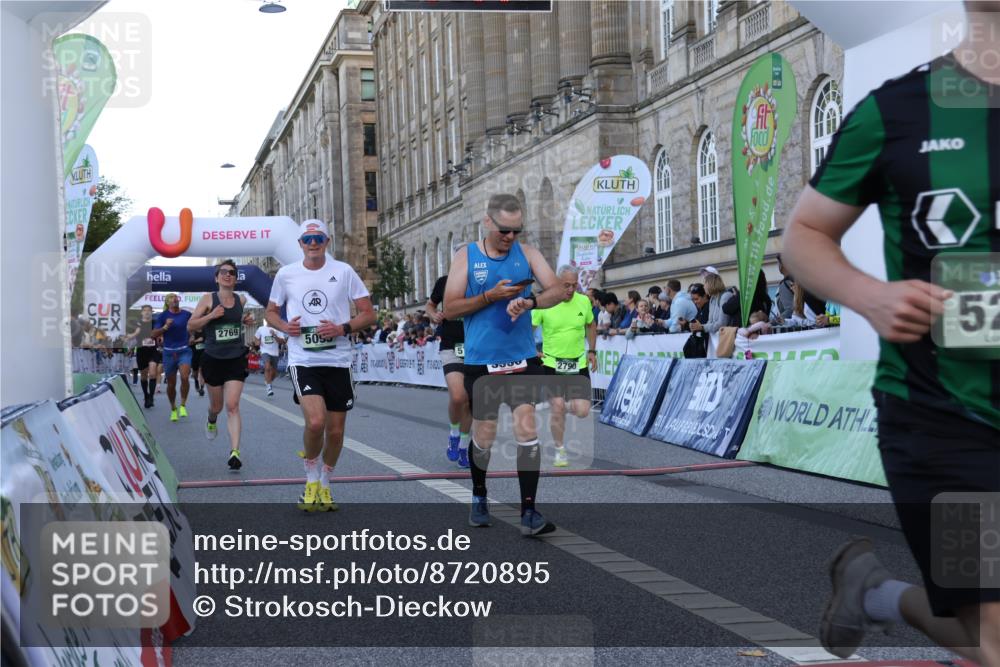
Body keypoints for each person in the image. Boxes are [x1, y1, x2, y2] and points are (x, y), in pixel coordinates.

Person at [783, 5, 999, 663]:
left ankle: (874, 592)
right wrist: (869, 295)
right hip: (947, 425)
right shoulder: (900, 110)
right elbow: (804, 235)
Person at [443, 193, 565, 536]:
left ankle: (529, 512)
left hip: (522, 358)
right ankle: (479, 495)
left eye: (516, 231)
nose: (510, 237)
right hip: (482, 361)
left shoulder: (527, 254)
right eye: (504, 231)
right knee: (485, 434)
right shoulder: (465, 256)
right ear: (487, 222)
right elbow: (449, 309)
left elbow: (558, 290)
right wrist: (487, 297)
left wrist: (530, 302)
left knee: (527, 428)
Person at [266, 220, 376, 512]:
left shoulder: (343, 271)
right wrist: (283, 326)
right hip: (304, 359)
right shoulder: (287, 274)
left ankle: (326, 482)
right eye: (307, 239)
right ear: (300, 244)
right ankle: (311, 478)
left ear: (327, 242)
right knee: (316, 422)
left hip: (339, 360)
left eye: (318, 238)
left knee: (336, 432)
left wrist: (343, 328)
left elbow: (368, 313)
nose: (313, 243)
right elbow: (271, 312)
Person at [189, 260, 256, 470]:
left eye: (232, 272)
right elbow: (191, 325)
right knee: (217, 406)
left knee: (233, 405)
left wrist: (243, 321)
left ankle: (234, 452)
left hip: (236, 358)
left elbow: (234, 321)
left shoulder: (241, 299)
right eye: (224, 272)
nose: (228, 275)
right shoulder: (208, 298)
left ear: (236, 278)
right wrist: (210, 316)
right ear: (216, 277)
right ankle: (211, 418)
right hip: (213, 359)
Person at [531, 265, 597, 467]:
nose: (570, 289)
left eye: (574, 285)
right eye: (566, 285)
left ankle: (557, 409)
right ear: (557, 283)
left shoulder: (584, 301)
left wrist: (592, 351)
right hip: (552, 363)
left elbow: (591, 325)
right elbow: (528, 329)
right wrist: (532, 350)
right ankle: (560, 449)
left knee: (583, 410)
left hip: (578, 363)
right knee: (558, 406)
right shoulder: (544, 303)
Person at [427, 271, 472, 467]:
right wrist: (434, 314)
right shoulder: (445, 282)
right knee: (458, 396)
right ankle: (454, 433)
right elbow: (430, 305)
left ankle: (463, 447)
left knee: (471, 402)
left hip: (478, 346)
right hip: (451, 344)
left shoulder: (483, 283)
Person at [151, 293, 193, 422]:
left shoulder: (186, 314)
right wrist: (165, 327)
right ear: (167, 302)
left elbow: (195, 325)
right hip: (169, 352)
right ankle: (173, 408)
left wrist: (192, 335)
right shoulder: (163, 316)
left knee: (185, 377)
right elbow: (153, 334)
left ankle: (183, 405)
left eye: (176, 297)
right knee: (171, 384)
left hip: (184, 350)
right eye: (171, 298)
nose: (174, 299)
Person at [689, 270, 734, 335]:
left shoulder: (725, 296)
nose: (704, 287)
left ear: (711, 284)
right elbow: (710, 322)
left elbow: (722, 323)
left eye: (705, 284)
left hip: (725, 336)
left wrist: (702, 327)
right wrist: (698, 326)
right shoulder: (712, 299)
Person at [134, 305, 161, 408]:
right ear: (141, 312)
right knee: (144, 376)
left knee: (153, 373)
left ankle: (151, 397)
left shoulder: (155, 323)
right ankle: (146, 395)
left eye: (149, 310)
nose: (147, 312)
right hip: (141, 351)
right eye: (145, 310)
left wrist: (160, 338)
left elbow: (160, 333)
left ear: (152, 312)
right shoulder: (137, 323)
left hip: (153, 351)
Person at [254, 321, 287, 397]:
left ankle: (268, 382)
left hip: (275, 353)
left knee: (275, 373)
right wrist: (257, 343)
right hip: (265, 351)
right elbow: (256, 338)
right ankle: (269, 387)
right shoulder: (261, 329)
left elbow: (282, 342)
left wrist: (274, 335)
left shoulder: (278, 329)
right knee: (267, 367)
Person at [189, 327, 206, 397]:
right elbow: (189, 343)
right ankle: (196, 381)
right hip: (194, 354)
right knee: (195, 372)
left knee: (202, 370)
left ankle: (202, 388)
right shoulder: (192, 332)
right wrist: (195, 340)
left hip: (204, 353)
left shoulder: (205, 330)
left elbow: (205, 339)